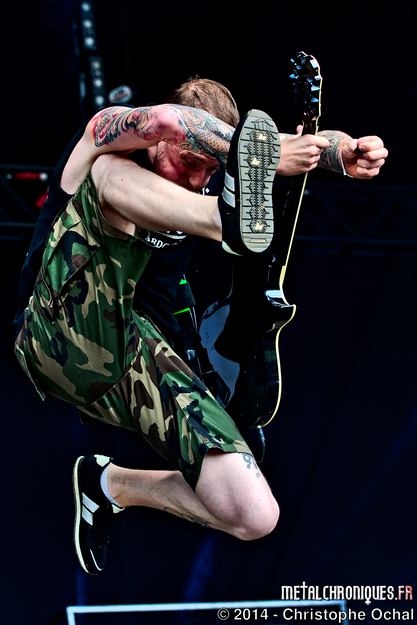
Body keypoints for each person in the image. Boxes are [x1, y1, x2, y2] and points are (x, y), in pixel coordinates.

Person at [14, 77, 387, 575]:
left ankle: (109, 486)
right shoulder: (108, 139)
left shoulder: (210, 166)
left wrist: (341, 152)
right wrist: (256, 155)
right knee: (108, 172)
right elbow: (167, 121)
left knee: (254, 514)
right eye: (190, 161)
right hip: (55, 330)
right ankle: (224, 223)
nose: (195, 178)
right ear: (161, 144)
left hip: (136, 355)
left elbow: (308, 144)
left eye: (211, 171)